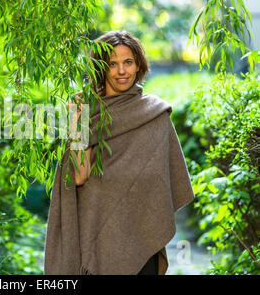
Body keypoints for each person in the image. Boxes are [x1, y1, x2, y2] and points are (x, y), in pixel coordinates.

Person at [44, 30, 195, 275]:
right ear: (100, 68)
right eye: (112, 64)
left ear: (138, 66)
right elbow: (80, 175)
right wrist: (75, 121)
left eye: (128, 62)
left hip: (142, 237)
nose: (121, 71)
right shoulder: (90, 113)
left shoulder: (155, 114)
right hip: (97, 240)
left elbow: (161, 181)